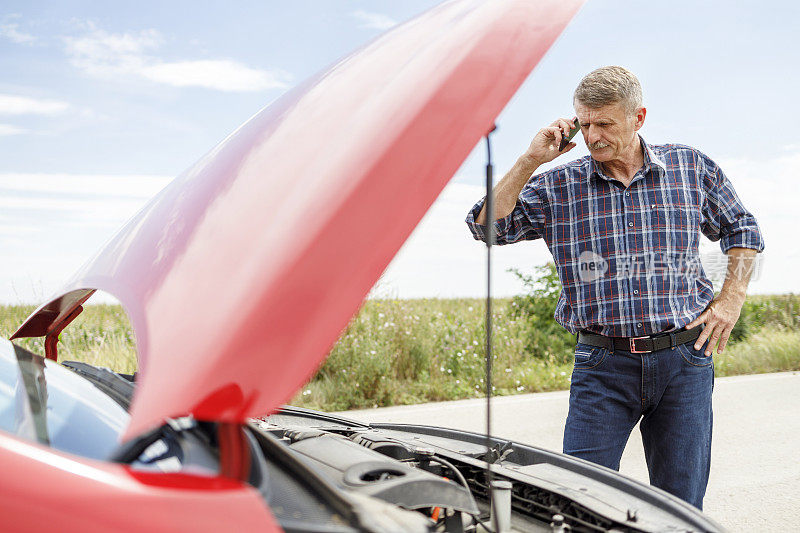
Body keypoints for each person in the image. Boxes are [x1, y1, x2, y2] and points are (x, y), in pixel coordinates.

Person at [464, 66, 764, 510]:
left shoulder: (690, 167)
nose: (593, 136)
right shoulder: (558, 185)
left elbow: (743, 229)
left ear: (638, 117)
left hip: (685, 361)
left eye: (605, 123)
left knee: (679, 506)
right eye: (584, 124)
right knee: (579, 501)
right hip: (603, 365)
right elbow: (487, 227)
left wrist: (730, 301)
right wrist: (530, 161)